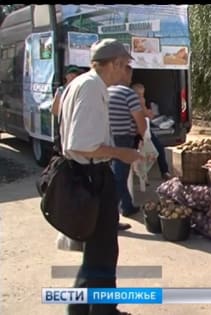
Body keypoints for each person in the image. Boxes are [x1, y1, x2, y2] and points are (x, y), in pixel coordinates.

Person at [59, 38, 141, 315]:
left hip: (86, 173)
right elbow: (81, 144)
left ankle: (81, 310)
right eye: (125, 66)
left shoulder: (82, 84)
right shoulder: (92, 87)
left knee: (95, 252)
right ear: (115, 63)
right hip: (92, 174)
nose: (127, 72)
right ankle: (103, 312)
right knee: (103, 252)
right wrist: (122, 153)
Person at [108, 65, 147, 219]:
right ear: (125, 74)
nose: (131, 78)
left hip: (108, 138)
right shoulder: (128, 94)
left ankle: (126, 206)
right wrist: (145, 139)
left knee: (116, 175)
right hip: (123, 138)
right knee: (120, 177)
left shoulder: (107, 91)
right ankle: (113, 216)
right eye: (130, 74)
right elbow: (140, 120)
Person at [132, 82, 172, 180]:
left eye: (142, 94)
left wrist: (145, 110)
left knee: (158, 148)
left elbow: (148, 115)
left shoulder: (141, 101)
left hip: (143, 130)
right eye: (138, 94)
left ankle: (164, 171)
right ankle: (163, 172)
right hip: (135, 131)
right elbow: (148, 115)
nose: (140, 97)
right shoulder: (132, 101)